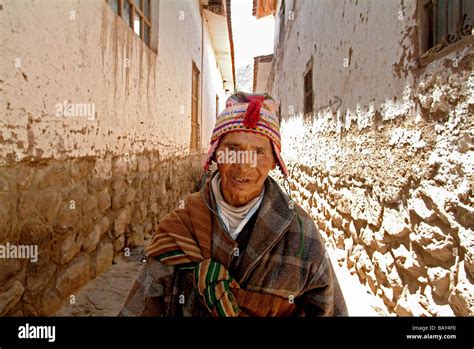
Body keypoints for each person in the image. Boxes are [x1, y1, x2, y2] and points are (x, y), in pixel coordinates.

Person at [119, 92, 347, 316]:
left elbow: (327, 308)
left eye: (259, 152)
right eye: (233, 149)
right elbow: (142, 305)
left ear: (274, 162)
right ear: (215, 155)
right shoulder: (180, 226)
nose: (244, 166)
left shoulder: (301, 235)